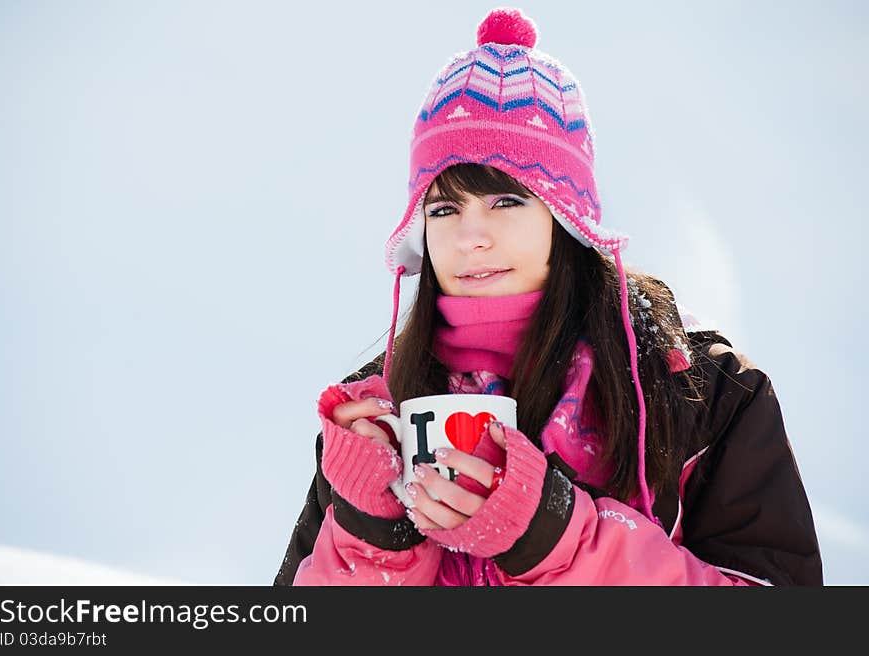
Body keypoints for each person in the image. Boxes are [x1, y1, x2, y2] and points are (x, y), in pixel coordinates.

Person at [273, 7, 822, 586]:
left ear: (567, 219)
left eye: (507, 201)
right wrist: (370, 537)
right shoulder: (381, 412)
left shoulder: (699, 392)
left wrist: (553, 537)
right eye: (443, 209)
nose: (470, 237)